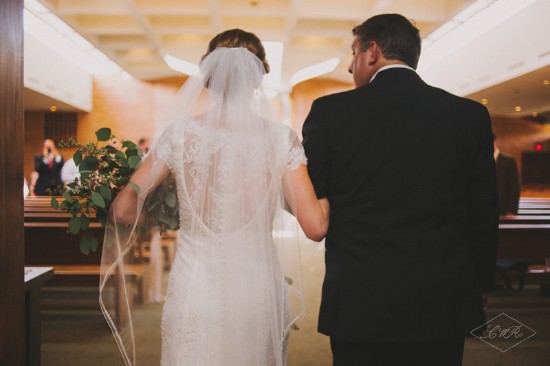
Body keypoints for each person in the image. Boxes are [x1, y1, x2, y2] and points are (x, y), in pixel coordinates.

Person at [99, 29, 329, 366]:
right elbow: (314, 225)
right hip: (256, 291)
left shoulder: (178, 135)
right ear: (257, 77)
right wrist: (340, 197)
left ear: (208, 76)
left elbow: (122, 209)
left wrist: (166, 218)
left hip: (195, 289)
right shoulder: (281, 139)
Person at [302, 14, 499, 366]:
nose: (350, 66)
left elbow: (314, 194)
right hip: (442, 298)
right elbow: (483, 210)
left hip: (361, 299)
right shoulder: (468, 116)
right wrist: (480, 284)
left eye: (353, 53)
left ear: (372, 51)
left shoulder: (331, 113)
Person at [494, 133, 520, 215]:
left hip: (504, 210)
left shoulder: (509, 161)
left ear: (494, 141)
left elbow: (515, 187)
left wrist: (511, 210)